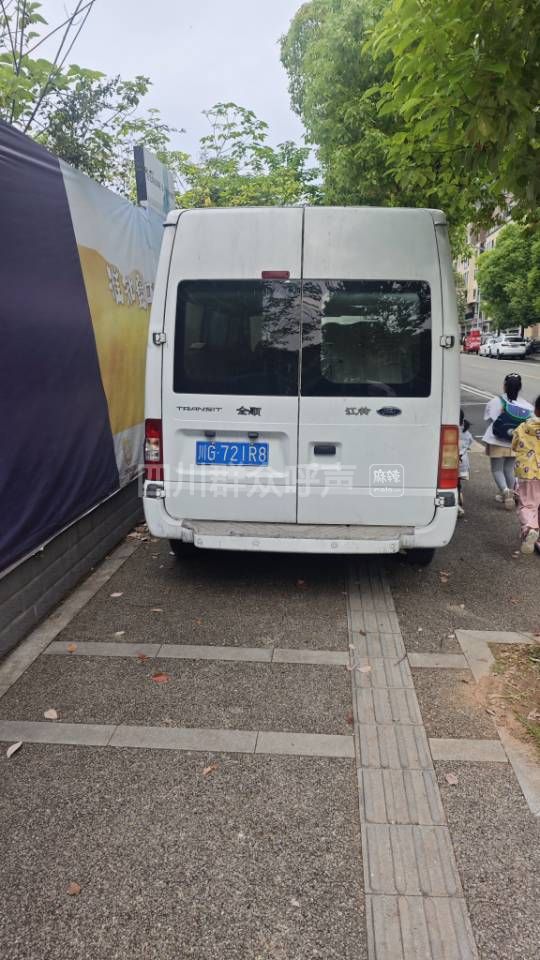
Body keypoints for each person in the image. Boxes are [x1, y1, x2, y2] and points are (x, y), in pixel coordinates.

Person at [482, 373, 533, 509]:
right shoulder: (527, 406)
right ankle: (512, 493)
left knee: (497, 470)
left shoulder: (496, 401)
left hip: (496, 441)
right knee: (509, 469)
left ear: (504, 386)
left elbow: (489, 419)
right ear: (520, 387)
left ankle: (505, 492)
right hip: (515, 443)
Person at [511, 394, 540, 554]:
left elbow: (515, 445)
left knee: (528, 504)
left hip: (528, 472)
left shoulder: (523, 427)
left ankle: (529, 529)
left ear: (536, 409)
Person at [458, 410, 473, 517]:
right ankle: (459, 496)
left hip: (451, 461)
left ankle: (457, 505)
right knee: (457, 482)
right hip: (462, 462)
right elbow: (470, 442)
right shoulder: (465, 432)